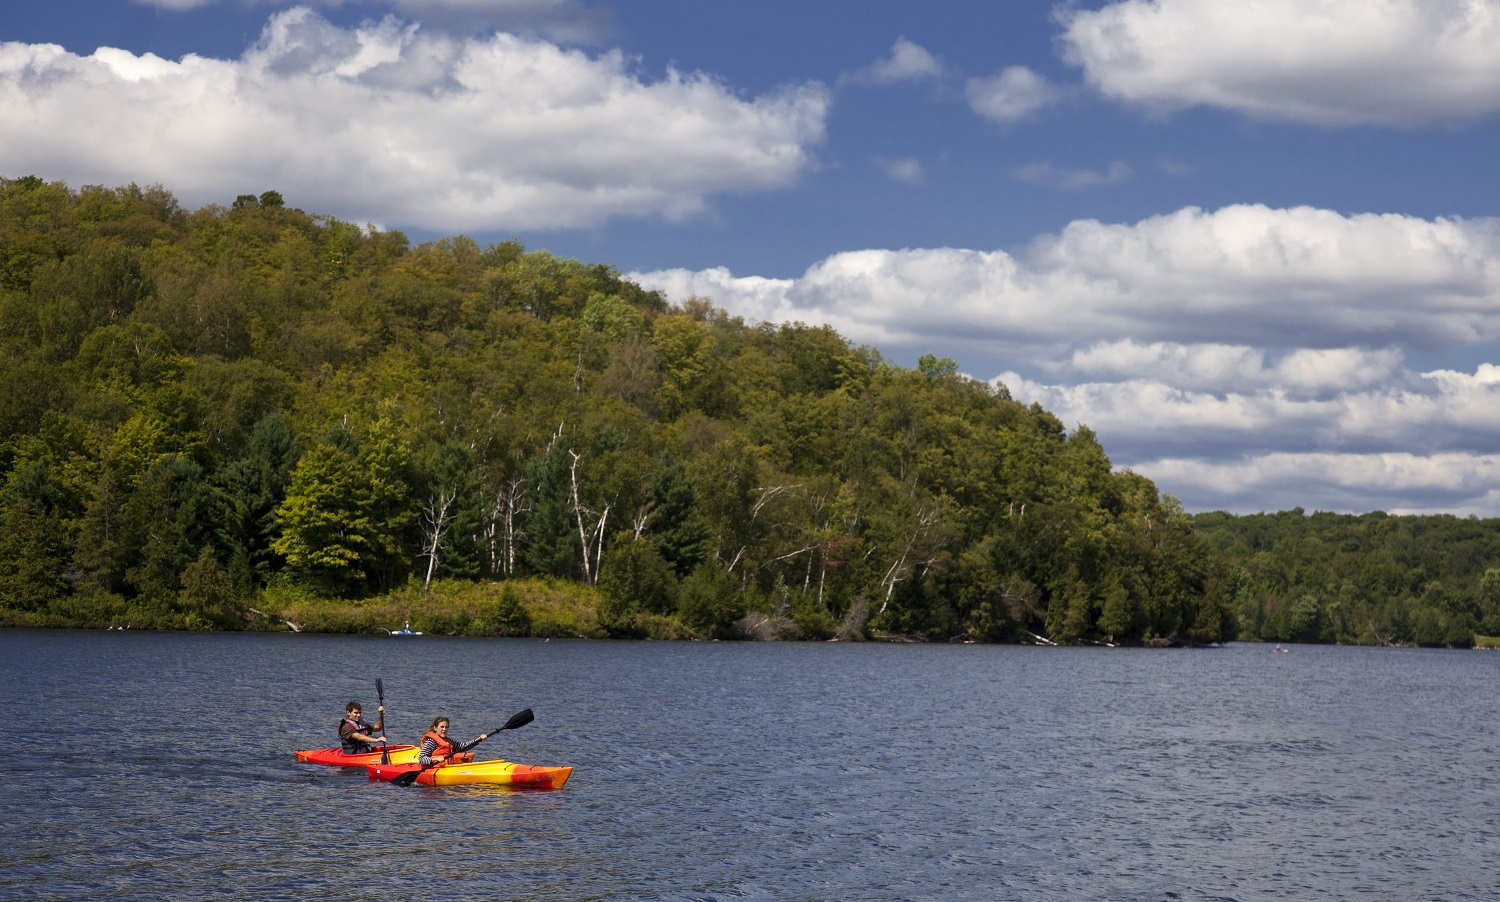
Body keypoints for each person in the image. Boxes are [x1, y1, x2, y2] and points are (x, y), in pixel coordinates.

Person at [418, 716, 490, 767]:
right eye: (442, 727)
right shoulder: (431, 742)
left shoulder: (448, 741)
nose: (444, 729)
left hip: (447, 768)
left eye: (446, 727)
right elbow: (421, 759)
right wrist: (436, 759)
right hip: (433, 769)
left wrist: (479, 739)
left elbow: (464, 747)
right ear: (435, 728)